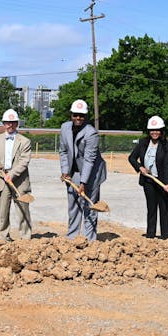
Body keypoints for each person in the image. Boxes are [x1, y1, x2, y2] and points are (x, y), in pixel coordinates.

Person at [59, 99, 107, 241]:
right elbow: (63, 151)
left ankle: (89, 239)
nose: (78, 118)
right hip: (73, 172)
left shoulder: (91, 133)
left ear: (86, 117)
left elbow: (89, 160)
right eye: (75, 115)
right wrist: (65, 170)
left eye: (81, 115)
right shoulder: (65, 128)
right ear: (71, 115)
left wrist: (83, 182)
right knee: (73, 204)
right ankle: (72, 237)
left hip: (91, 173)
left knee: (89, 206)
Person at [128, 115, 168, 239]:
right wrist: (140, 167)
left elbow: (167, 165)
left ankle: (166, 235)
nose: (154, 132)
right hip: (148, 181)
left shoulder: (167, 146)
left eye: (157, 130)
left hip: (163, 181)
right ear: (149, 131)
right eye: (152, 130)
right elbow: (131, 158)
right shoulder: (143, 143)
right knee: (151, 208)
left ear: (161, 131)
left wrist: (167, 183)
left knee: (164, 209)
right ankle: (150, 235)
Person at [0, 109, 33, 241]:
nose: (10, 125)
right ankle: (4, 236)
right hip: (2, 180)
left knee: (22, 210)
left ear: (17, 124)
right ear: (3, 124)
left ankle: (25, 237)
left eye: (13, 123)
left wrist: (12, 174)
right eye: (7, 123)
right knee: (3, 211)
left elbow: (24, 161)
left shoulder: (25, 141)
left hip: (19, 181)